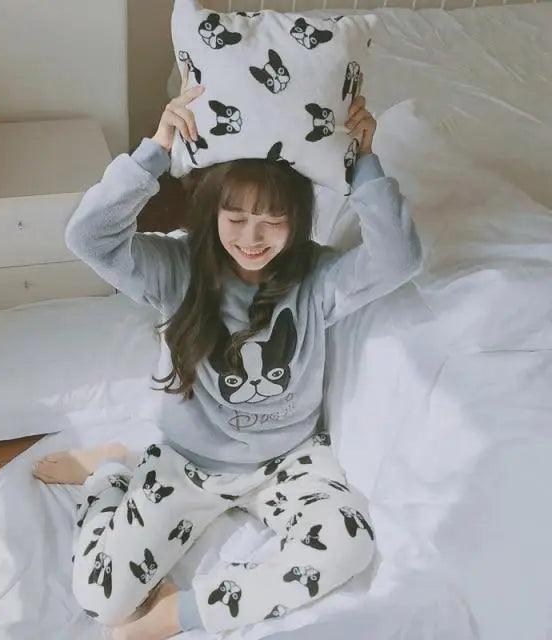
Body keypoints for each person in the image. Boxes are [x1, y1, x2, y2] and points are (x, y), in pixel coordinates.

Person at [32, 61, 423, 640]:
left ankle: (179, 613)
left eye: (272, 221)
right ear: (211, 212)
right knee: (101, 599)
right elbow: (87, 236)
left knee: (349, 544)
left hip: (287, 461)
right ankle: (110, 469)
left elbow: (398, 257)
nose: (252, 238)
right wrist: (155, 152)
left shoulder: (316, 278)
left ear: (298, 220)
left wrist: (365, 162)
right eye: (235, 218)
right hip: (188, 463)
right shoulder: (178, 268)